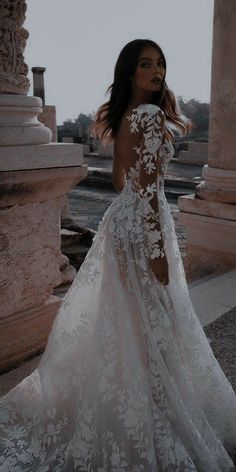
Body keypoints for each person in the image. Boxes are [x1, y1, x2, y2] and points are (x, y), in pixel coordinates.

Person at [0, 39, 236, 472]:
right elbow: (146, 189)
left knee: (130, 316)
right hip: (144, 224)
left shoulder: (124, 116)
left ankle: (134, 392)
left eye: (160, 63)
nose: (156, 70)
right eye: (146, 64)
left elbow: (119, 179)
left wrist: (131, 218)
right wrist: (157, 246)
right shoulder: (149, 116)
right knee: (149, 316)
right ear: (130, 71)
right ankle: (148, 401)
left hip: (122, 223)